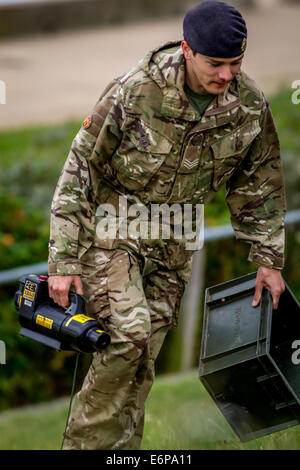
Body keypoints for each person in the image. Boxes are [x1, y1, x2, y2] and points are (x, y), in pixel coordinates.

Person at [48, 1, 286, 450]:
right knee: (128, 336)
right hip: (112, 234)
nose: (226, 75)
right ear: (187, 49)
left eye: (236, 63)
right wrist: (63, 258)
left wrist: (268, 259)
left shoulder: (249, 106)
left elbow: (260, 184)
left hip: (173, 248)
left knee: (141, 365)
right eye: (216, 64)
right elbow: (80, 168)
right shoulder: (135, 91)